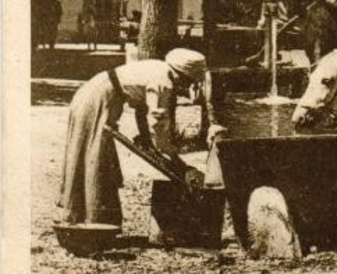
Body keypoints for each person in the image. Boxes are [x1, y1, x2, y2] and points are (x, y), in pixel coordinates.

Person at [57, 48, 221, 227]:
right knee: (92, 156)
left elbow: (142, 111)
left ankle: (100, 217)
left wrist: (147, 140)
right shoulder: (162, 82)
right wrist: (170, 154)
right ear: (183, 75)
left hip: (100, 93)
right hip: (96, 98)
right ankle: (86, 219)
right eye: (189, 82)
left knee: (99, 156)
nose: (186, 87)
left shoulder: (161, 69)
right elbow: (157, 121)